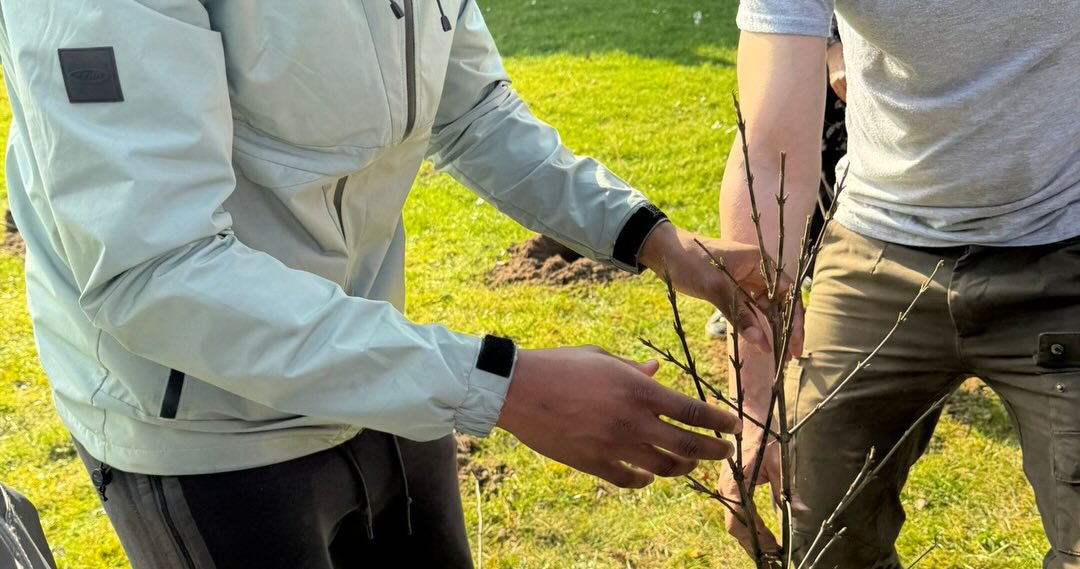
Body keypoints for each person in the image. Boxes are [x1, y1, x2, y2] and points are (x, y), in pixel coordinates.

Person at [0, 1, 789, 568]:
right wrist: (503, 386)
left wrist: (650, 237)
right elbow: (155, 268)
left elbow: (473, 112)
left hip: (378, 365)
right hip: (201, 423)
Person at [720, 2, 1079, 568]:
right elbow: (768, 156)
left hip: (1064, 243)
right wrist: (754, 405)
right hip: (874, 248)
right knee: (821, 540)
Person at [704, 16, 845, 340]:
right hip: (813, 43)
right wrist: (832, 46)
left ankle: (821, 281)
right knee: (778, 153)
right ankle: (755, 292)